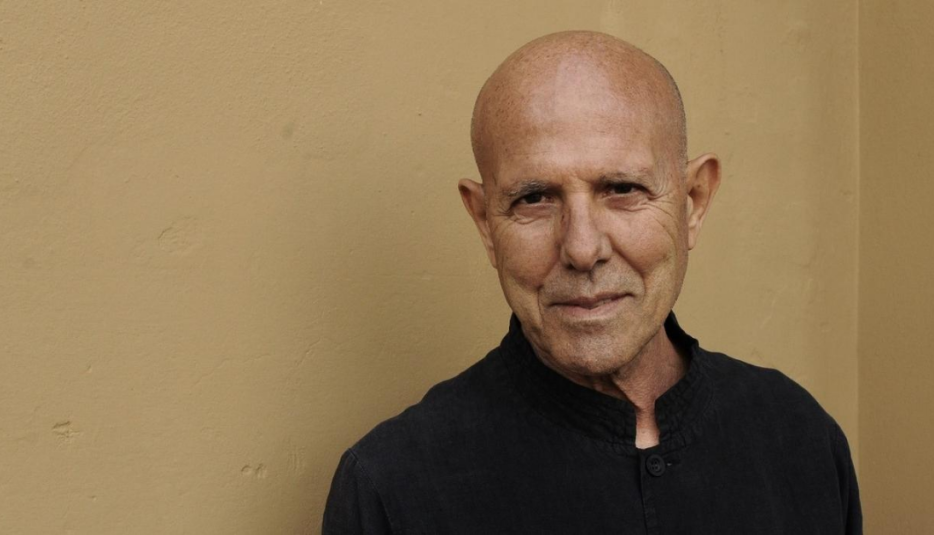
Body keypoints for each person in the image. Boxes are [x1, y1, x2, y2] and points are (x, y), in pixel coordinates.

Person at [322, 31, 861, 534]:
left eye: (622, 189)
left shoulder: (799, 438)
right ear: (485, 223)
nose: (582, 249)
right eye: (534, 198)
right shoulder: (393, 488)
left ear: (693, 202)